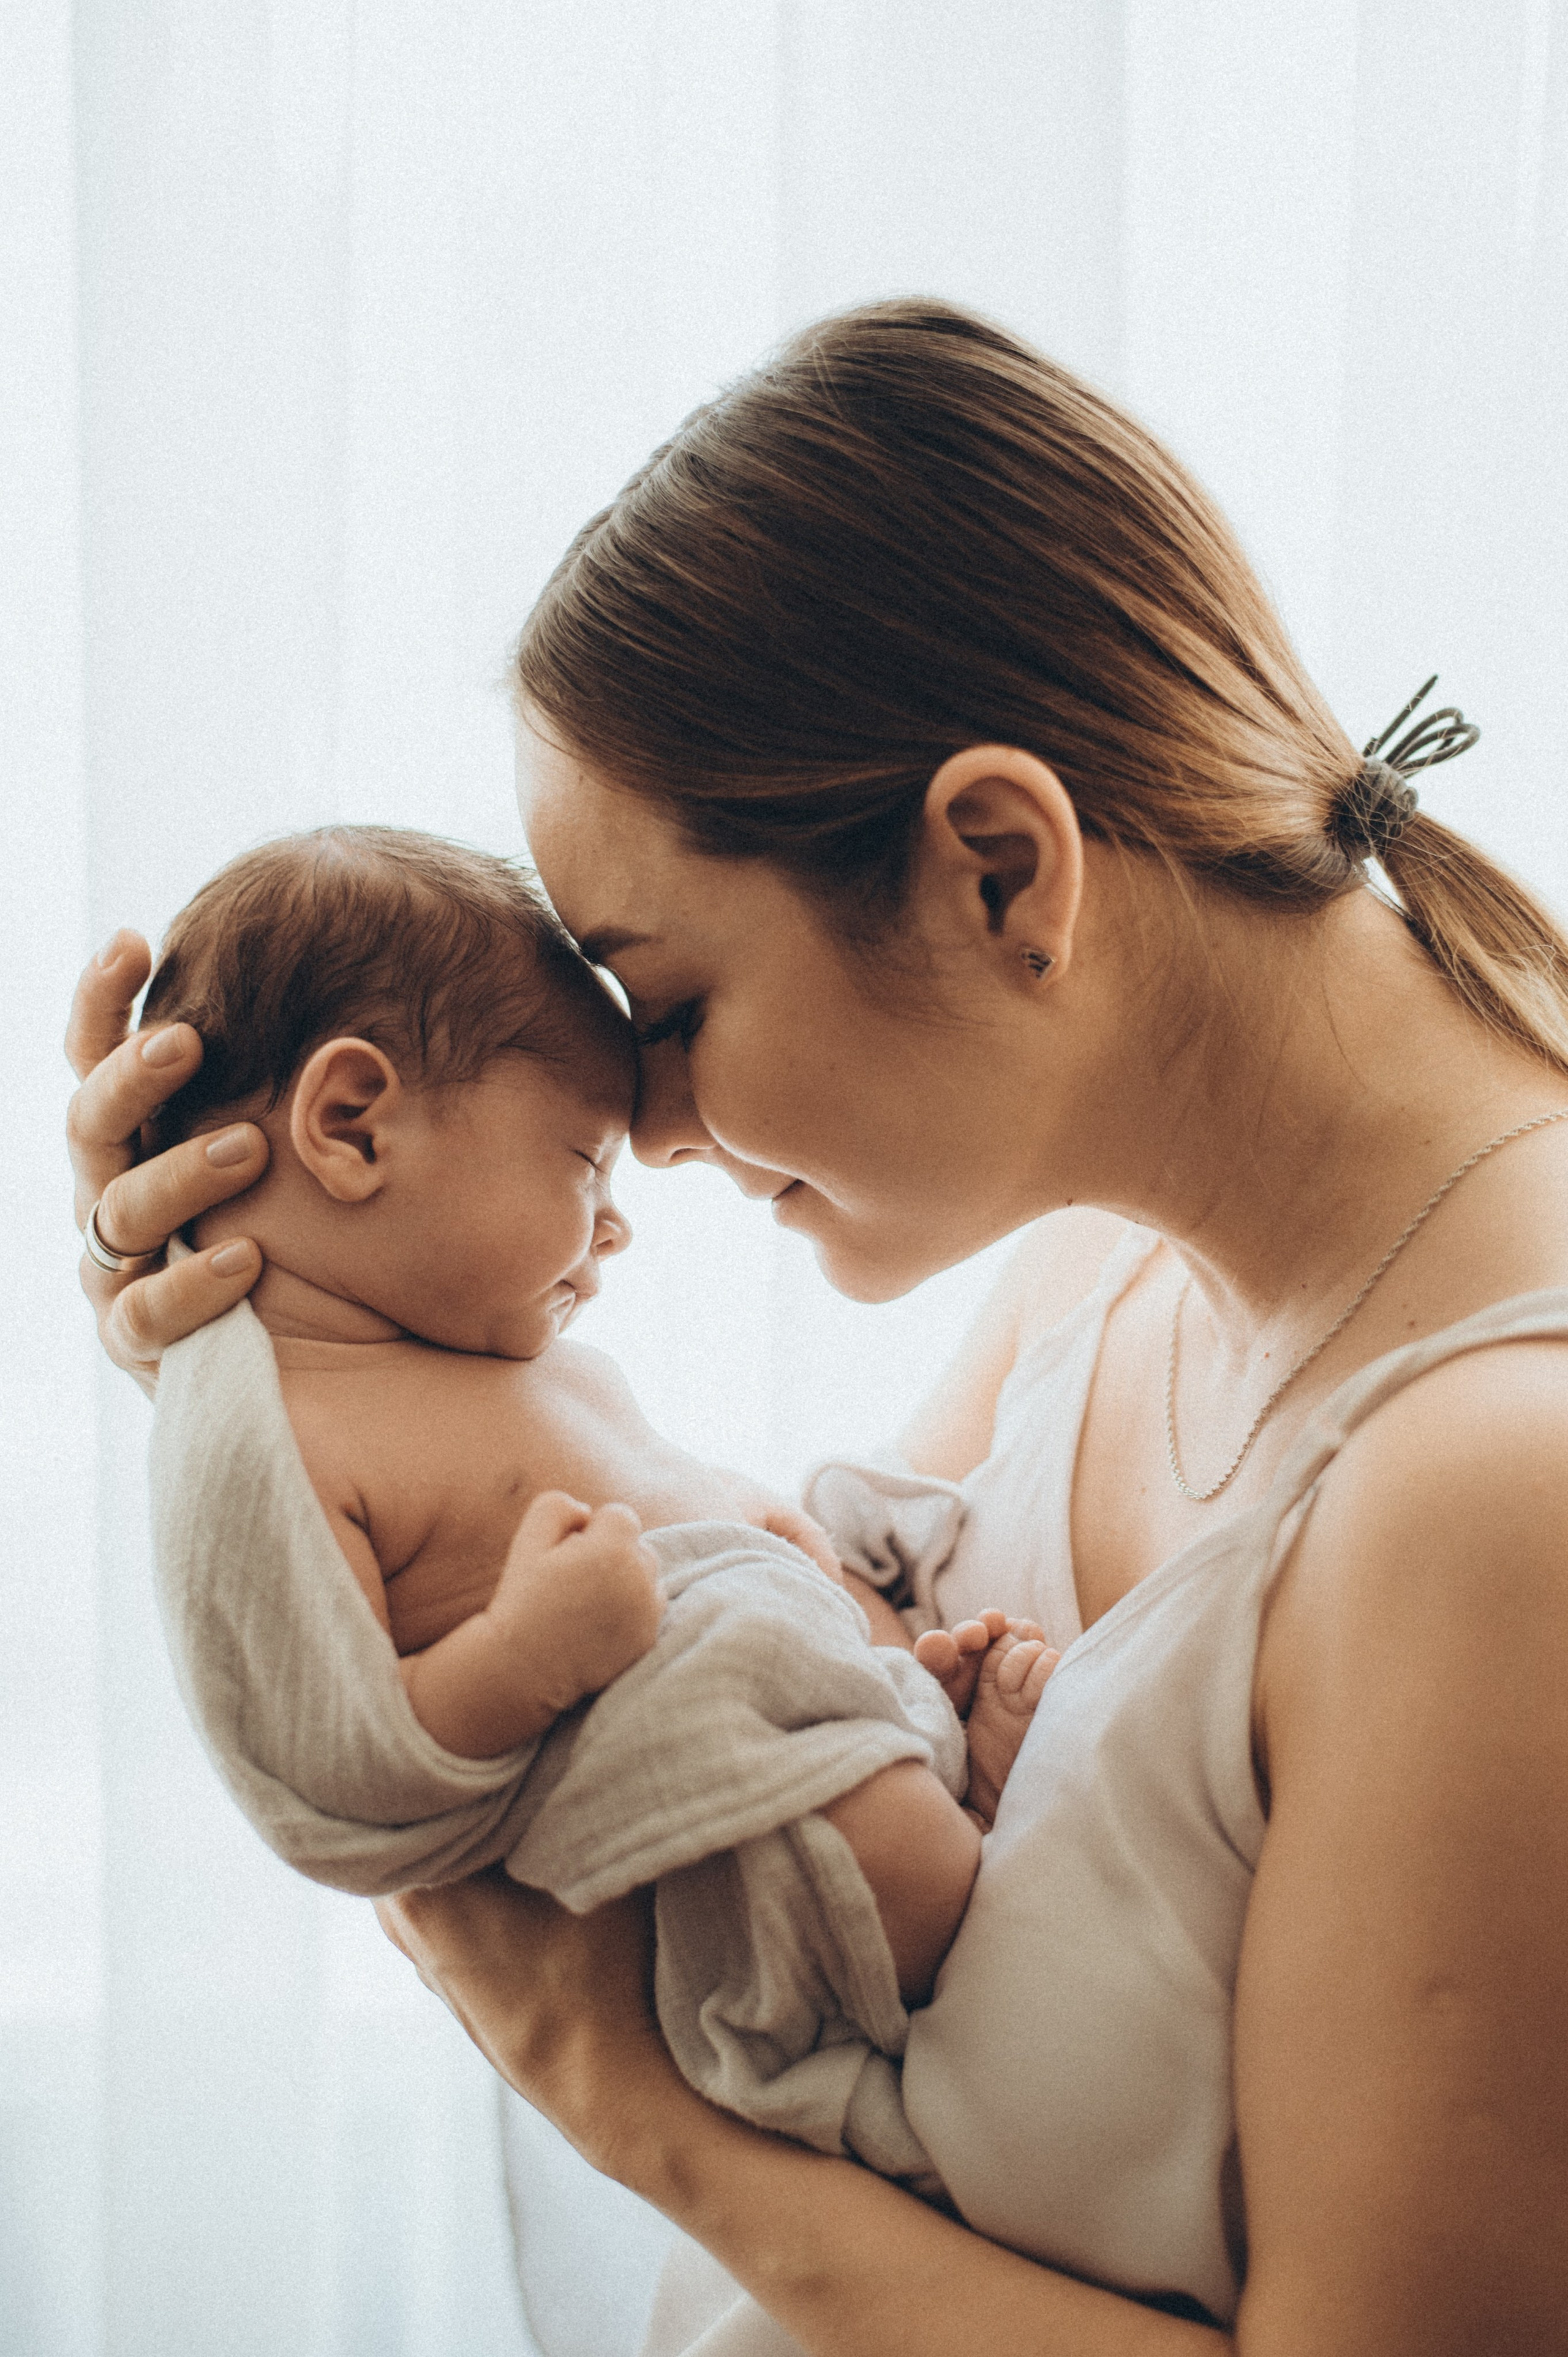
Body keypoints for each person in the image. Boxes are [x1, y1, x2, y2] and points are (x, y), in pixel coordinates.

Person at [67, 299, 1568, 2351]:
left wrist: (640, 2114)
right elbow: (724, 1645)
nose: (652, 1132)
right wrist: (281, 1343)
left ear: (998, 868)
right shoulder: (1105, 1261)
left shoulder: (1496, 1507)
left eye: (664, 1007)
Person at [135, 821, 1054, 2174]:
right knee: (896, 1858)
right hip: (764, 1867)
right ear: (351, 1124)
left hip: (816, 1728)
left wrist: (776, 1537)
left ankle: (947, 1764)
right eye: (581, 1162)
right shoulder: (257, 1429)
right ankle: (956, 1865)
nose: (614, 1222)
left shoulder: (464, 1350)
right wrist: (521, 1656)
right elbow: (322, 1772)